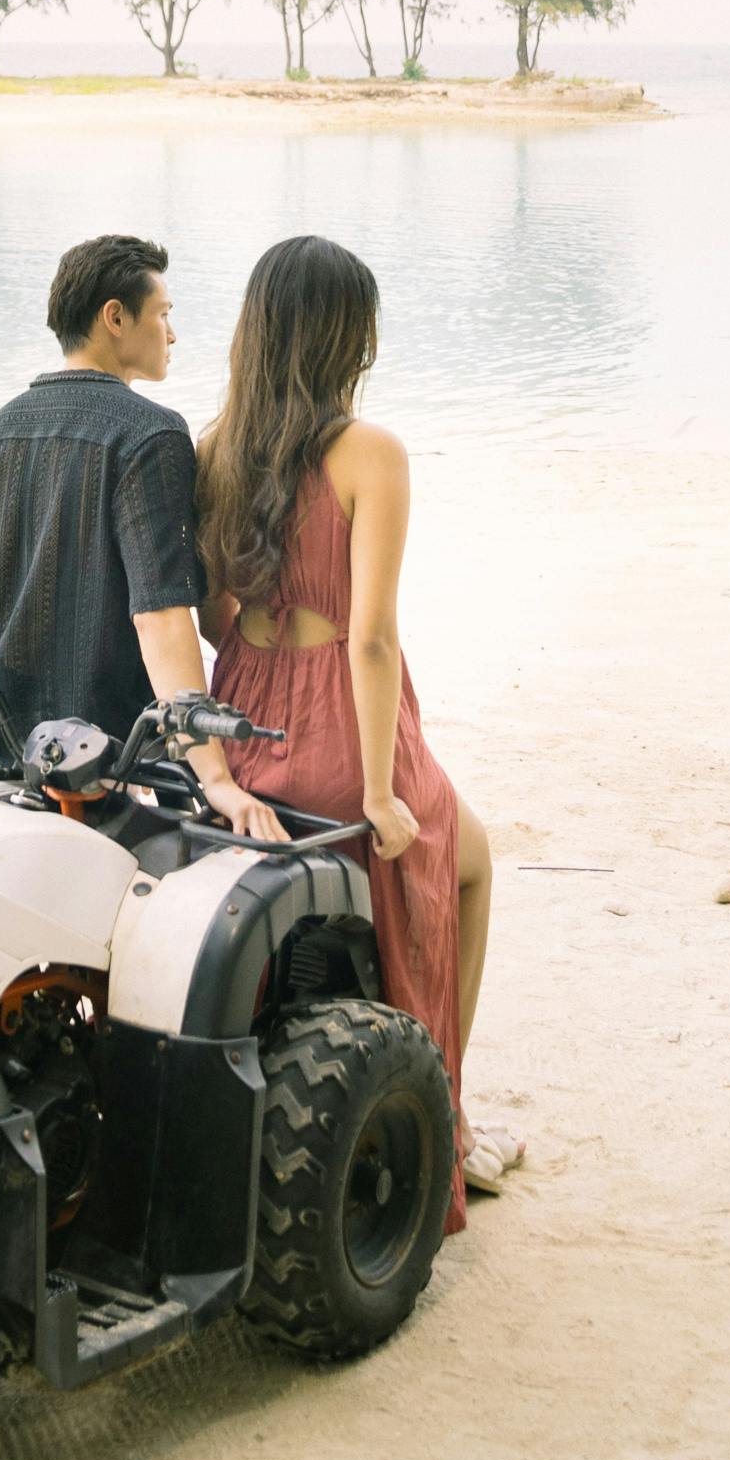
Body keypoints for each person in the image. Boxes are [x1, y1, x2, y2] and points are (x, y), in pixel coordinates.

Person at [199, 233, 517, 1213]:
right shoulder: (369, 453)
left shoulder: (215, 449)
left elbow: (212, 621)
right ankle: (447, 1114)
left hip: (246, 721)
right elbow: (370, 637)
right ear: (349, 338)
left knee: (437, 851)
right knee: (464, 861)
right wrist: (378, 791)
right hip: (341, 729)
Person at [0, 233, 262, 828]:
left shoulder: (5, 423)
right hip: (92, 736)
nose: (172, 334)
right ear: (115, 317)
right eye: (164, 314)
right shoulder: (152, 435)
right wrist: (215, 777)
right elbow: (162, 615)